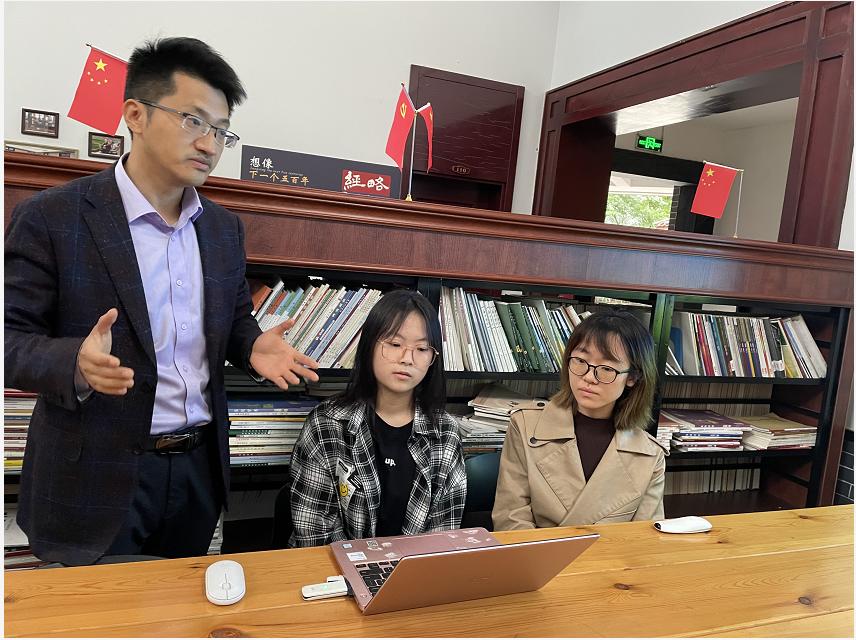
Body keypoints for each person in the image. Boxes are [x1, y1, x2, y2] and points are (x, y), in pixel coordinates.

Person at [4, 37, 319, 566]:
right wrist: (74, 362)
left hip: (194, 471)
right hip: (92, 475)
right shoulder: (52, 217)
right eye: (193, 120)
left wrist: (250, 345)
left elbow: (232, 320)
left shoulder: (222, 230)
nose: (210, 144)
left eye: (221, 131)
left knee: (185, 605)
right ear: (136, 115)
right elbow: (9, 338)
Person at [288, 289, 466, 547]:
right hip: (334, 566)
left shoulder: (445, 432)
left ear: (432, 358)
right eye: (394, 344)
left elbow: (442, 537)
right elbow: (313, 534)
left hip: (415, 566)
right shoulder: (327, 423)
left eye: (422, 348)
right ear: (369, 345)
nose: (407, 359)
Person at [492, 309, 664, 530]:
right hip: (538, 552)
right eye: (581, 361)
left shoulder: (650, 456)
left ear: (632, 377)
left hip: (611, 553)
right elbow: (510, 520)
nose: (589, 377)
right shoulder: (525, 426)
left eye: (606, 368)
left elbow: (643, 538)